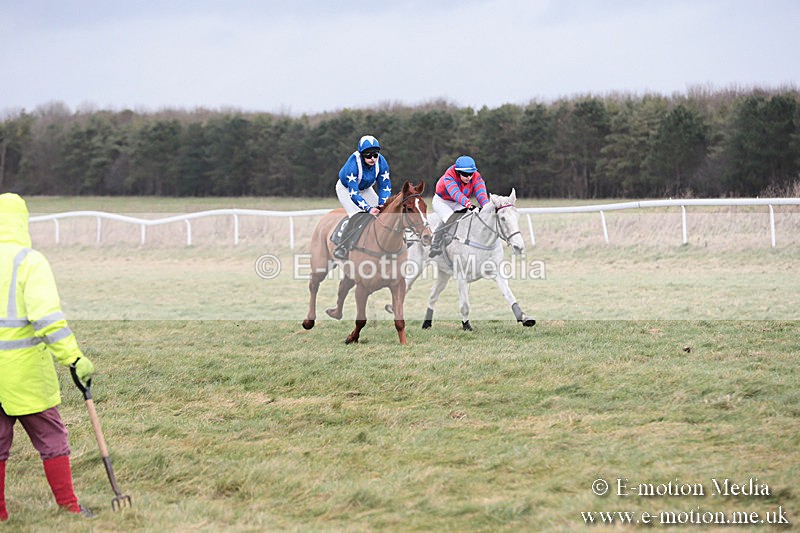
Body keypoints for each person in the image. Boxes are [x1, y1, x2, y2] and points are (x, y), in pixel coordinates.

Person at [0, 193, 95, 521]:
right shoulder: (29, 261)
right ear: (22, 222)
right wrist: (74, 358)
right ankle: (69, 507)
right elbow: (48, 321)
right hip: (25, 375)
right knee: (52, 438)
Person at [332, 135, 392, 259]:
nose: (372, 158)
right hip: (347, 189)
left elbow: (384, 186)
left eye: (375, 154)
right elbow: (354, 193)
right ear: (361, 154)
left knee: (385, 212)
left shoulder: (381, 162)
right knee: (357, 216)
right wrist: (369, 209)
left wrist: (382, 203)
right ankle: (343, 246)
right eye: (368, 155)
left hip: (366, 189)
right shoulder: (353, 164)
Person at [428, 155, 489, 257]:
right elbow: (455, 193)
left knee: (467, 218)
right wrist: (469, 205)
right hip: (442, 202)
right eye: (465, 174)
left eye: (471, 174)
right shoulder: (449, 175)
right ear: (458, 172)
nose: (469, 177)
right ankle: (435, 245)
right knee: (450, 217)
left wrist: (486, 206)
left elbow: (481, 192)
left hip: (459, 202)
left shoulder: (476, 176)